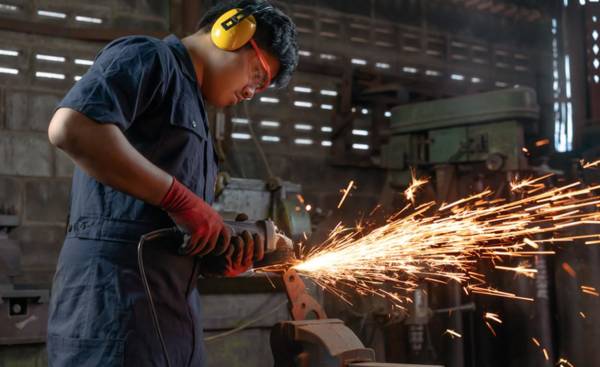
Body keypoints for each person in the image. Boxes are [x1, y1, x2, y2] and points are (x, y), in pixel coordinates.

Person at [46, 1, 298, 365]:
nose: (250, 92)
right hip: (111, 310)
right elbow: (70, 128)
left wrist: (215, 252)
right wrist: (184, 202)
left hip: (170, 321)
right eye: (257, 75)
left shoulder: (195, 114)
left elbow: (159, 224)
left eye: (262, 89)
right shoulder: (150, 58)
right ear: (230, 32)